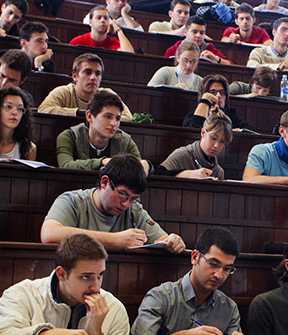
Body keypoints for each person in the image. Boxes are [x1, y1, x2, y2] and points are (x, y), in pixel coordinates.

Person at [0, 234, 129, 335]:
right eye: (86, 277)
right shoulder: (22, 294)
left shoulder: (114, 307)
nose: (96, 287)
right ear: (61, 274)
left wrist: (95, 333)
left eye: (100, 276)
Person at [130, 228, 250, 335]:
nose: (219, 275)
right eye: (213, 264)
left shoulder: (229, 308)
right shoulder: (161, 297)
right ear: (194, 257)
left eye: (227, 269)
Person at [42, 155, 185, 252]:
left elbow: (161, 238)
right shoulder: (72, 201)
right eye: (122, 194)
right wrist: (114, 240)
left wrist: (172, 241)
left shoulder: (134, 209)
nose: (126, 204)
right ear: (105, 182)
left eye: (133, 198)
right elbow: (49, 234)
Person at [53, 90, 143, 170]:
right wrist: (102, 162)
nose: (114, 123)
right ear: (89, 116)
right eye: (108, 116)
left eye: (117, 118)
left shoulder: (125, 140)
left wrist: (147, 165)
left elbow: (138, 167)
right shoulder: (69, 136)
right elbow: (65, 166)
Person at [39, 54, 134, 121]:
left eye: (98, 74)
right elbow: (44, 110)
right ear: (75, 76)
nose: (93, 78)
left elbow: (127, 116)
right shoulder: (63, 92)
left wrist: (98, 117)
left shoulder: (107, 95)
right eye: (88, 72)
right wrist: (78, 113)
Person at [155, 112, 232, 180]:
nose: (216, 145)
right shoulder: (182, 155)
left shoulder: (219, 172)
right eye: (213, 138)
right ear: (203, 133)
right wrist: (188, 174)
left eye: (222, 142)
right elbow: (158, 174)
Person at [184, 74, 254, 131]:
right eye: (213, 92)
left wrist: (216, 112)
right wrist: (205, 102)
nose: (218, 96)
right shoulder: (192, 116)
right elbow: (192, 131)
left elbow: (250, 130)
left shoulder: (230, 114)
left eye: (222, 92)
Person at [71, 6, 136, 53]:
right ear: (90, 22)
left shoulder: (113, 42)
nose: (102, 20)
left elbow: (129, 53)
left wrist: (119, 30)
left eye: (105, 18)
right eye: (98, 18)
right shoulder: (78, 41)